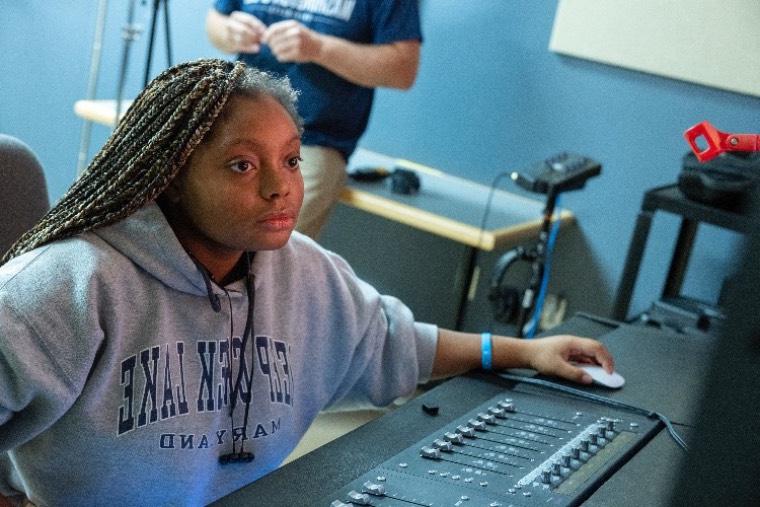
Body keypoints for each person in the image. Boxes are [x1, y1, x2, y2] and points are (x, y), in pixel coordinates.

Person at [0, 59, 613, 506]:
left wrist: (523, 352)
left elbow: (389, 344)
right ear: (169, 177)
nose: (280, 187)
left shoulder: (303, 270)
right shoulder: (66, 286)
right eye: (243, 165)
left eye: (291, 159)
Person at [205, 1, 422, 238]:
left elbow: (403, 69)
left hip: (312, 141)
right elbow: (215, 21)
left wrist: (319, 48)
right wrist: (229, 31)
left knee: (262, 248)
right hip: (232, 120)